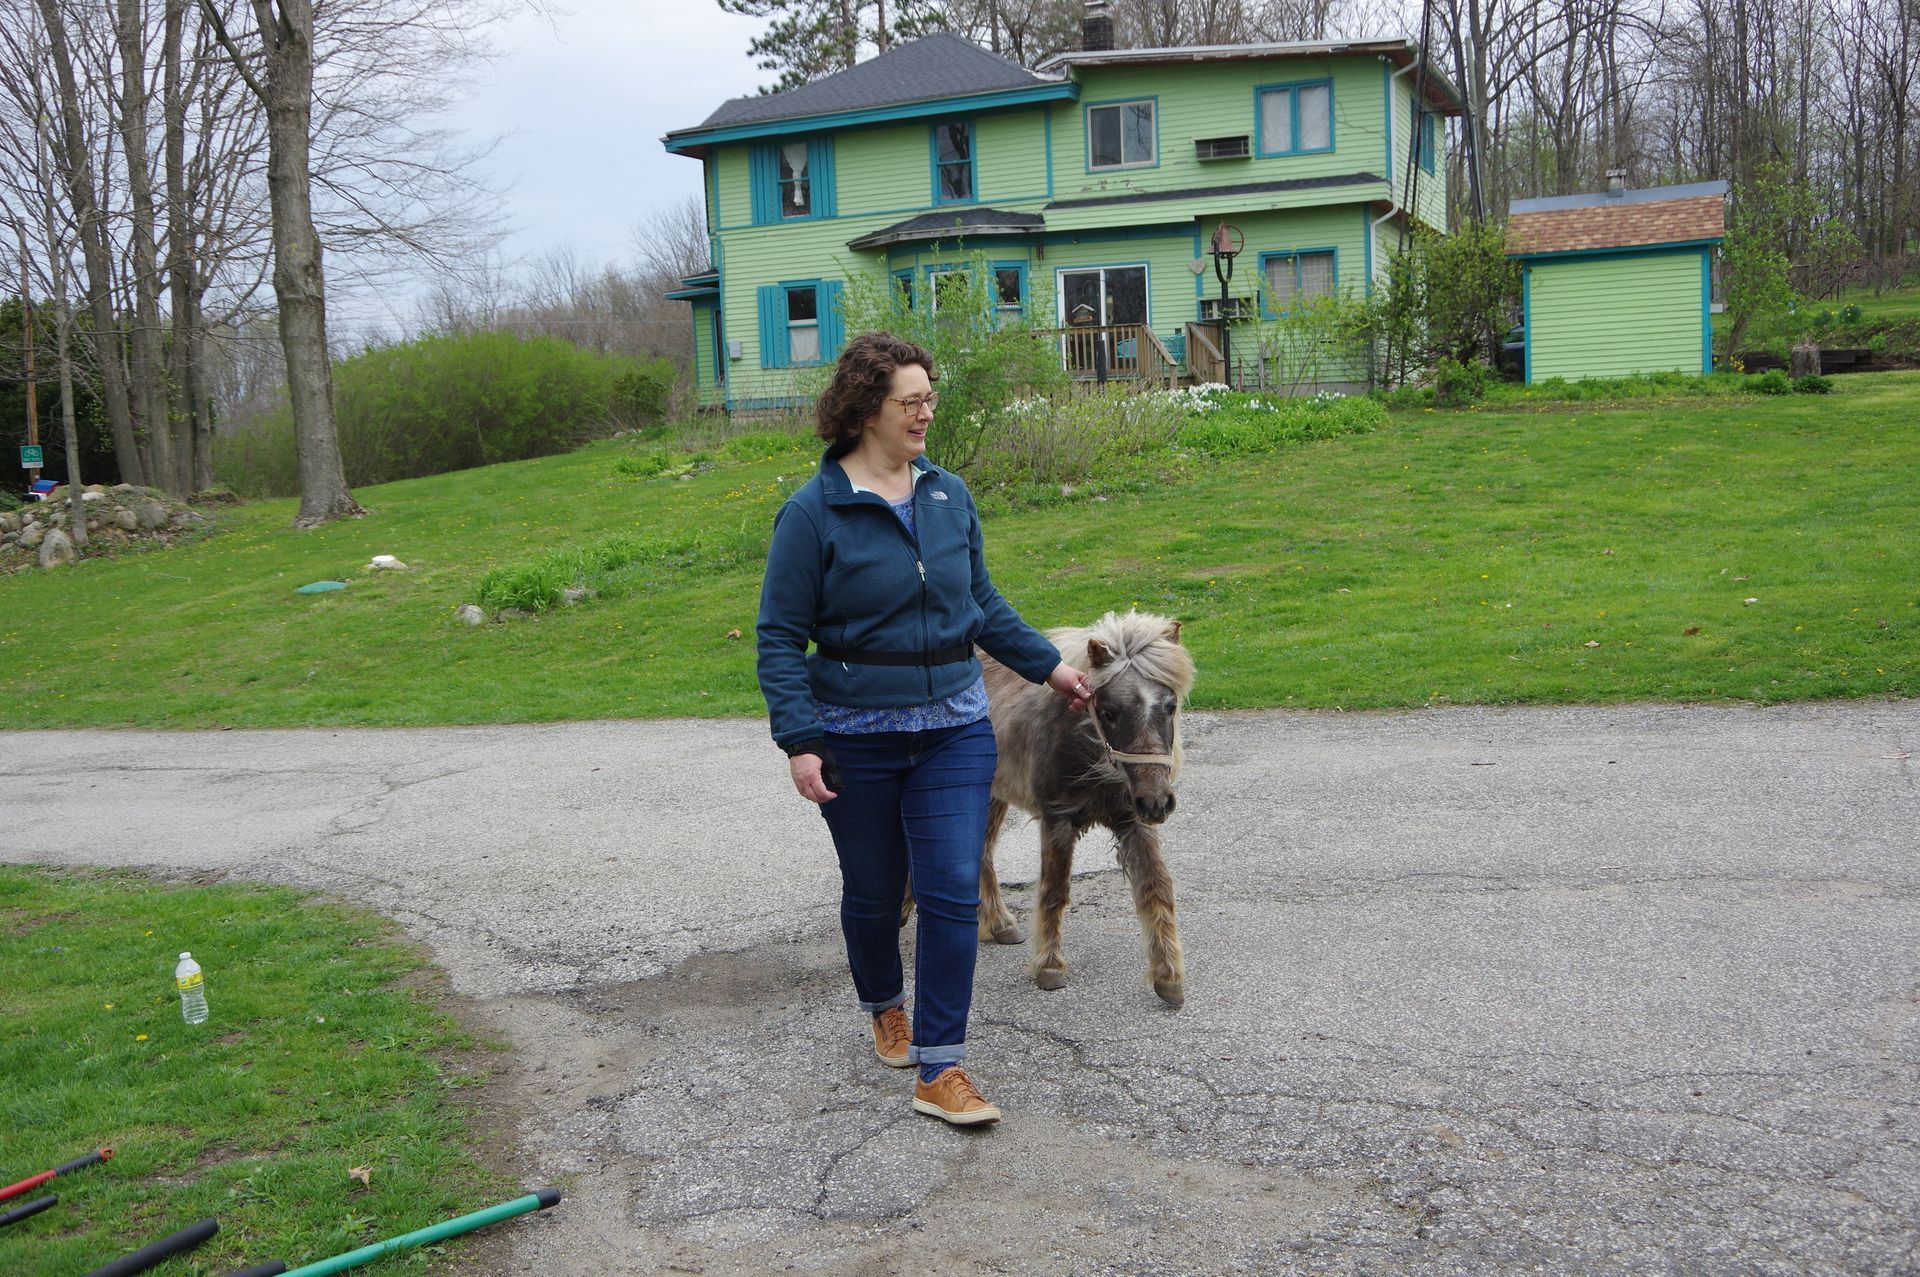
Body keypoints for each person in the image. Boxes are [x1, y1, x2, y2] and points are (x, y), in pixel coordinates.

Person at [756, 331, 1092, 1127]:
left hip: (954, 729)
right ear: (866, 408)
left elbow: (982, 604)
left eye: (929, 399)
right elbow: (779, 636)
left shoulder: (948, 495)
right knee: (876, 893)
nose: (925, 413)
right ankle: (885, 1002)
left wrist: (1051, 667)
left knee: (947, 890)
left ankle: (942, 1066)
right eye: (910, 402)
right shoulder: (812, 513)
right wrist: (800, 739)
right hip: (855, 737)